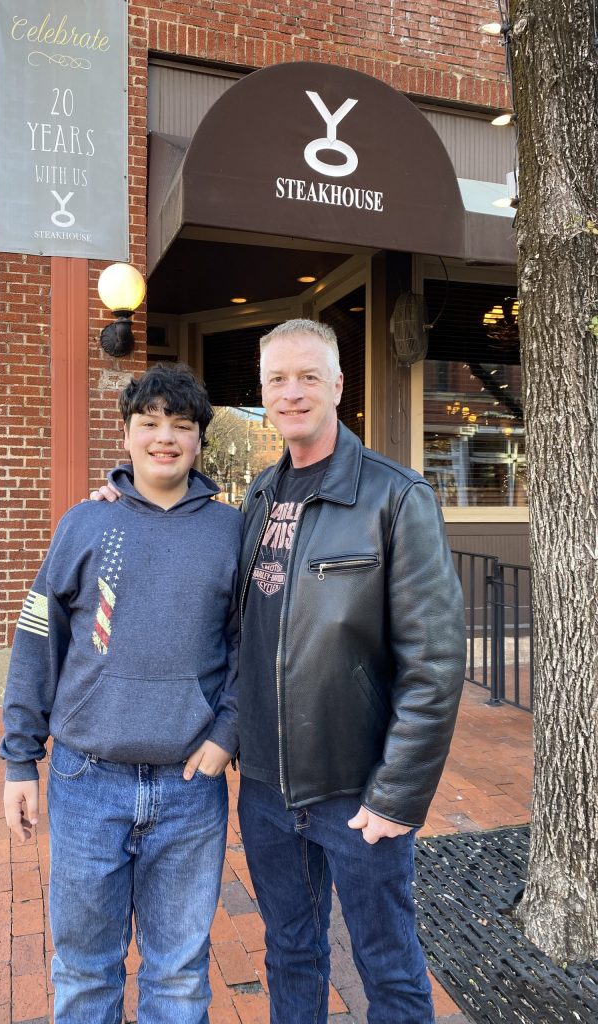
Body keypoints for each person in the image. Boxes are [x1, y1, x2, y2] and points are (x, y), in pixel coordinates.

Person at [94, 320, 466, 1024]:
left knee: (386, 963)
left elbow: (436, 663)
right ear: (263, 390)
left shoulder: (395, 497)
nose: (291, 393)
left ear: (337, 386)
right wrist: (124, 494)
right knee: (291, 953)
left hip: (356, 787)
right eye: (277, 380)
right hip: (264, 786)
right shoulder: (260, 496)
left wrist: (397, 795)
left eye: (307, 377)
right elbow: (205, 560)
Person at [0, 363, 242, 1024]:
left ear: (199, 441)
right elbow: (35, 640)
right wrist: (20, 758)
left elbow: (250, 648)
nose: (165, 437)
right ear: (127, 434)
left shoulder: (230, 533)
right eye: (150, 423)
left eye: (181, 426)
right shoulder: (83, 524)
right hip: (85, 779)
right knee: (83, 968)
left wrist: (227, 734)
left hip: (190, 787)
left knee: (179, 972)